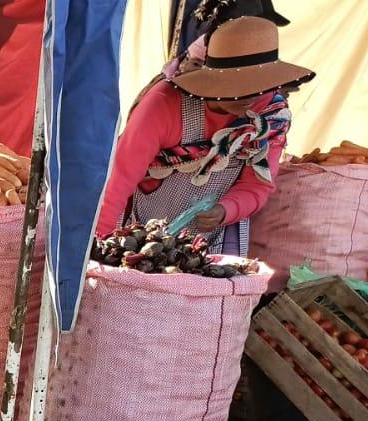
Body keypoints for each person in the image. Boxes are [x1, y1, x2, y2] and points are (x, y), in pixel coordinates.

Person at [97, 16, 314, 256]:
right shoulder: (164, 104)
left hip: (213, 239)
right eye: (237, 88)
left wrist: (226, 210)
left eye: (259, 86)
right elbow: (118, 179)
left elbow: (258, 185)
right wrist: (98, 244)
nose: (250, 97)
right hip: (141, 234)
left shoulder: (272, 117)